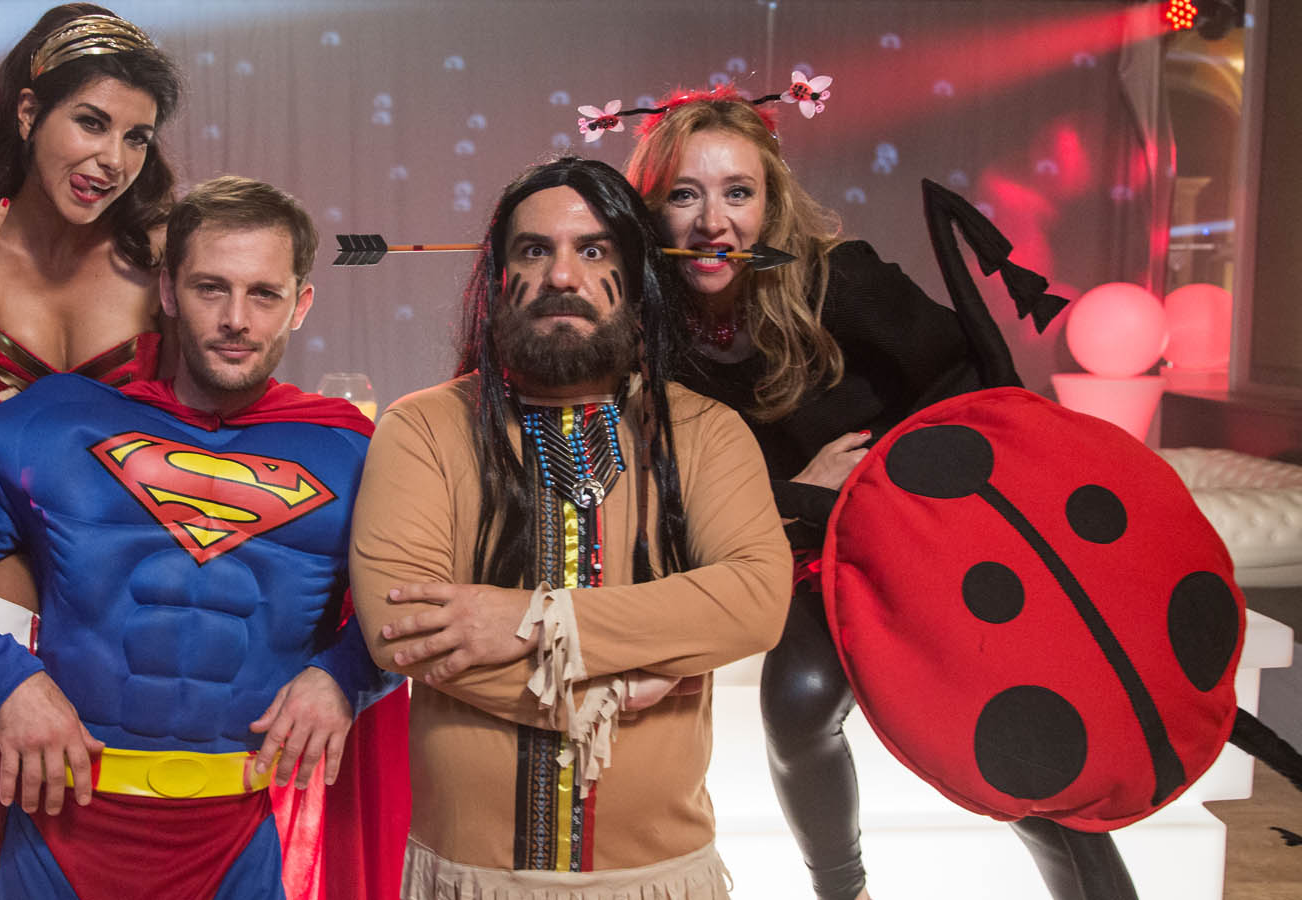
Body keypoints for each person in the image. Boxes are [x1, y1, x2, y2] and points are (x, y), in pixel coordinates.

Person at [623, 83, 1139, 900]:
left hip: (926, 533)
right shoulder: (649, 334)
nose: (713, 221)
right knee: (797, 703)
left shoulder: (843, 282)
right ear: (649, 213)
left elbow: (972, 388)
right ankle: (845, 893)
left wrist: (890, 476)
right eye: (684, 195)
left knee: (1003, 726)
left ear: (771, 202)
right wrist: (796, 492)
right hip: (804, 550)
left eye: (738, 193)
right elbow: (671, 480)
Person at [0, 175, 402, 900]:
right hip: (60, 832)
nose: (236, 319)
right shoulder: (56, 424)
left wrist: (344, 676)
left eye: (264, 294)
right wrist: (8, 686)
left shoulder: (355, 453)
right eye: (210, 288)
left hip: (241, 841)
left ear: (300, 305)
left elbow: (415, 608)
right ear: (167, 291)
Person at [349, 156, 793, 898]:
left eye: (593, 250)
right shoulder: (423, 429)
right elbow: (406, 631)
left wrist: (532, 619)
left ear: (637, 278)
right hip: (471, 881)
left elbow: (754, 599)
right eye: (534, 250)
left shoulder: (706, 433)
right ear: (498, 281)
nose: (562, 275)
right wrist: (628, 680)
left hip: (660, 880)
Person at [0, 7, 181, 897]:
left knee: (116, 869)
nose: (113, 159)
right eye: (91, 123)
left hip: (123, 615)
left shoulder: (158, 254)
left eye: (136, 137)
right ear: (30, 113)